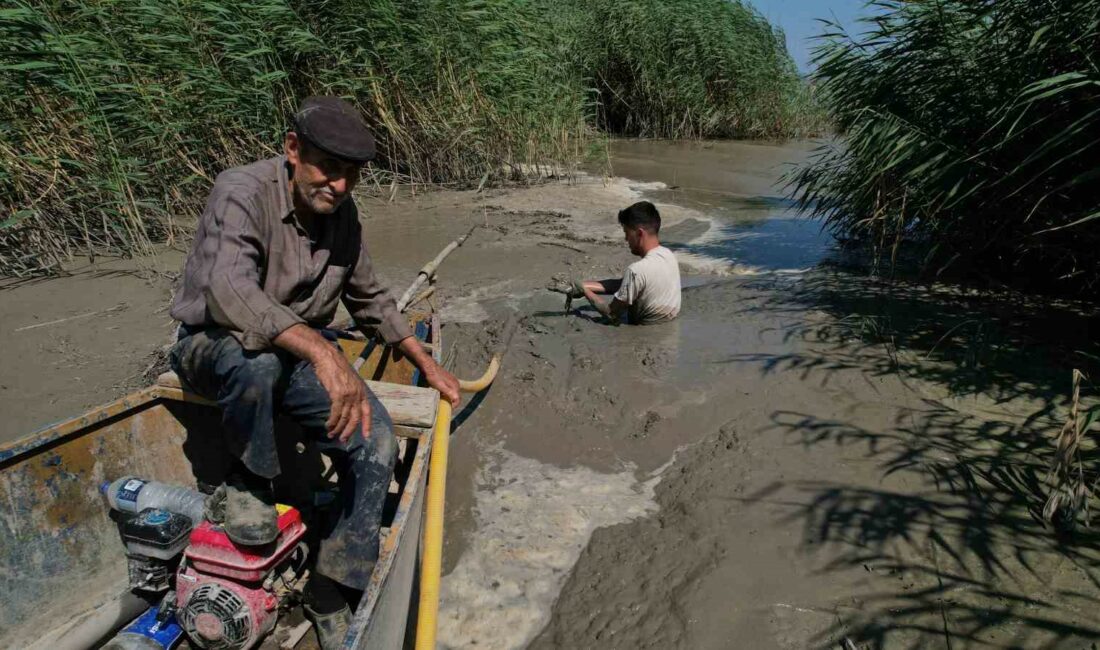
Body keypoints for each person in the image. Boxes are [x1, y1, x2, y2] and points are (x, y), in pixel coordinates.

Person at [167, 96, 460, 646]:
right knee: (252, 361)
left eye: (351, 175)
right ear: (293, 150)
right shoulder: (242, 192)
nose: (340, 185)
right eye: (329, 168)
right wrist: (325, 353)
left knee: (375, 443)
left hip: (294, 355)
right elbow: (230, 292)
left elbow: (370, 297)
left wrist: (424, 360)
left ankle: (329, 586)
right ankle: (248, 482)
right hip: (213, 346)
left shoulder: (342, 216)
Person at [554, 201, 681, 324]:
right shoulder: (669, 256)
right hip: (668, 325)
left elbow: (611, 314)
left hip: (642, 332)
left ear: (639, 233)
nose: (626, 239)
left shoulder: (637, 270)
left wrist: (585, 292)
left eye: (627, 233)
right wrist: (584, 285)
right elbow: (626, 284)